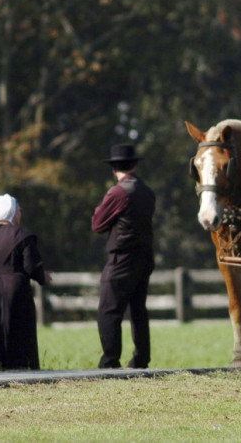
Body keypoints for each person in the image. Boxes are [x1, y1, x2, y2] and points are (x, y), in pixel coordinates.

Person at [91, 144, 156, 369]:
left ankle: (110, 360)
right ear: (135, 165)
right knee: (138, 309)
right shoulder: (147, 191)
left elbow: (97, 224)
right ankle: (141, 358)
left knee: (109, 310)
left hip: (122, 258)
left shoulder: (118, 192)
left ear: (113, 169)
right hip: (145, 256)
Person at [0, 194, 52, 370]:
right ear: (11, 212)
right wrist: (43, 277)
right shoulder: (23, 236)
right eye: (18, 209)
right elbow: (31, 266)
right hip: (14, 290)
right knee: (17, 329)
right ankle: (20, 367)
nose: (21, 212)